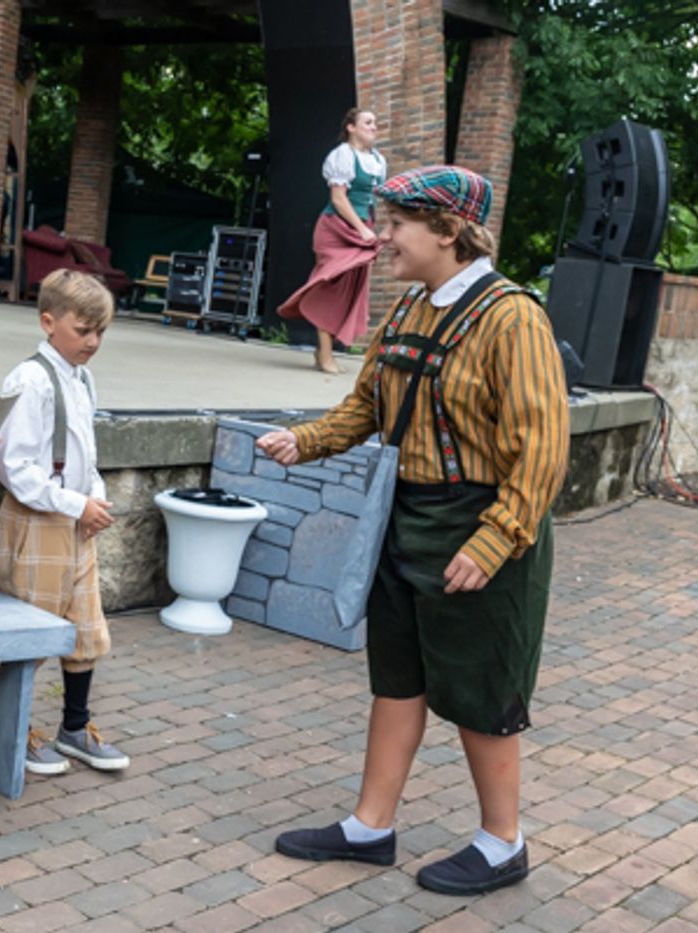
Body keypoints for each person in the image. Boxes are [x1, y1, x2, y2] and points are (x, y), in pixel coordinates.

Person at [258, 166, 569, 896]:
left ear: (450, 232)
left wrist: (496, 539)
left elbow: (544, 445)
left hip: (483, 525)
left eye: (396, 222)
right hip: (406, 515)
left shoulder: (512, 316)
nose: (382, 235)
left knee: (480, 686)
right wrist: (306, 439)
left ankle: (503, 841)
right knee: (398, 677)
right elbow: (367, 406)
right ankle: (371, 826)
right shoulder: (408, 310)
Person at [0, 268, 129, 776]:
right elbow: (17, 468)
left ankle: (75, 725)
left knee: (85, 628)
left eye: (101, 332)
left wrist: (95, 500)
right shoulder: (30, 379)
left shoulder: (81, 376)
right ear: (49, 322)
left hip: (73, 519)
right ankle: (16, 725)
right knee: (32, 628)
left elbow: (83, 454)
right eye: (83, 330)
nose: (93, 342)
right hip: (36, 521)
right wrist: (73, 504)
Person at [278, 108, 386, 374]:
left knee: (350, 290)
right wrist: (362, 229)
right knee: (329, 288)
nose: (374, 127)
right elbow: (338, 199)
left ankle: (322, 350)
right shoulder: (341, 156)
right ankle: (325, 354)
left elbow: (374, 200)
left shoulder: (378, 160)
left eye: (375, 123)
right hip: (337, 230)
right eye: (368, 122)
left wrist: (378, 229)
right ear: (351, 127)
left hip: (362, 229)